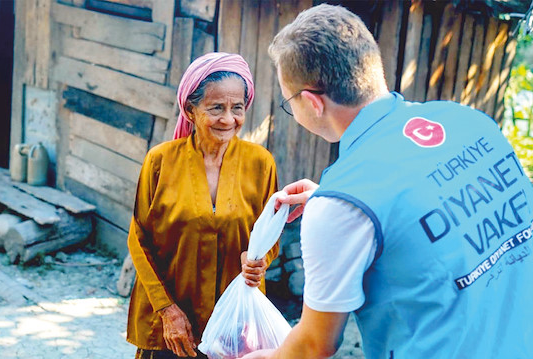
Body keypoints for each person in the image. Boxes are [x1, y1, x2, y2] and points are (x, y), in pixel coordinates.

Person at [243, 4, 533, 359]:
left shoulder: (343, 206)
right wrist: (344, 212)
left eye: (290, 103)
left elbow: (315, 345)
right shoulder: (471, 121)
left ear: (312, 102)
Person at [127, 52, 281, 358]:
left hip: (235, 325)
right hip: (170, 325)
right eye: (216, 108)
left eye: (237, 108)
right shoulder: (160, 161)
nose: (228, 119)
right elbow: (139, 238)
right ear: (190, 110)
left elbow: (270, 233)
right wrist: (167, 310)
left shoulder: (260, 163)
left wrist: (259, 261)